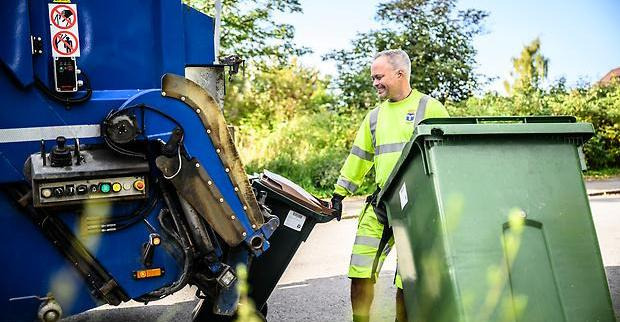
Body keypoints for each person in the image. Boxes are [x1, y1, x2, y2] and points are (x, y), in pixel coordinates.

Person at [329, 49, 449, 322]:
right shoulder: (374, 116)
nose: (375, 83)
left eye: (379, 76)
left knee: (407, 279)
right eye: (373, 78)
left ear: (400, 74)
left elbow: (447, 155)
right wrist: (339, 194)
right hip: (382, 203)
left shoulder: (430, 108)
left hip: (418, 207)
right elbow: (359, 157)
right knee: (360, 270)